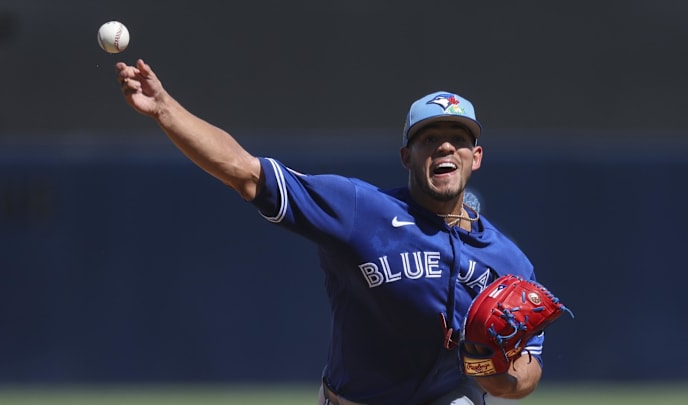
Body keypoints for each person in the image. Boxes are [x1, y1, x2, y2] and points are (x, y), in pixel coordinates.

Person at [116, 59, 545, 405]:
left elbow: (529, 365)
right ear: (406, 156)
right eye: (429, 138)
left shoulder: (508, 262)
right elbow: (246, 172)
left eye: (459, 138)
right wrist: (166, 110)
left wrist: (500, 379)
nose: (446, 146)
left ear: (477, 157)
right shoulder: (360, 210)